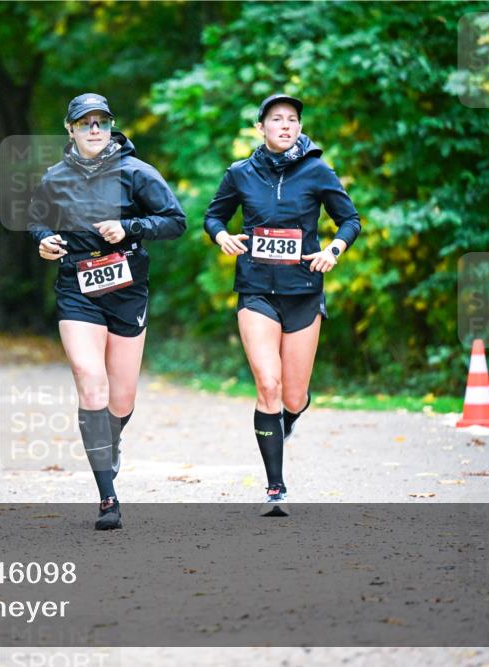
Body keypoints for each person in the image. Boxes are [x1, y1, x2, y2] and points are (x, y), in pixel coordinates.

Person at [28, 93, 187, 530]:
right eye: (85, 123)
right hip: (77, 288)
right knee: (90, 383)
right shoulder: (55, 177)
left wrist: (130, 226)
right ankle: (107, 497)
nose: (94, 129)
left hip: (127, 289)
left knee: (120, 400)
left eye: (101, 121)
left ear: (111, 126)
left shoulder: (137, 173)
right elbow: (37, 219)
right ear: (70, 129)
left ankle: (110, 441)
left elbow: (175, 221)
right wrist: (44, 239)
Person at [203, 94, 362, 516]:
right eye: (277, 119)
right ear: (261, 127)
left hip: (303, 291)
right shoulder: (240, 173)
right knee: (268, 385)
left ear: (300, 127)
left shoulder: (317, 170)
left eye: (293, 119)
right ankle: (276, 488)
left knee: (293, 396)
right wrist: (222, 236)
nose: (286, 125)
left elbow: (350, 220)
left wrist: (333, 249)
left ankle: (286, 421)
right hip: (255, 290)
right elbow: (213, 217)